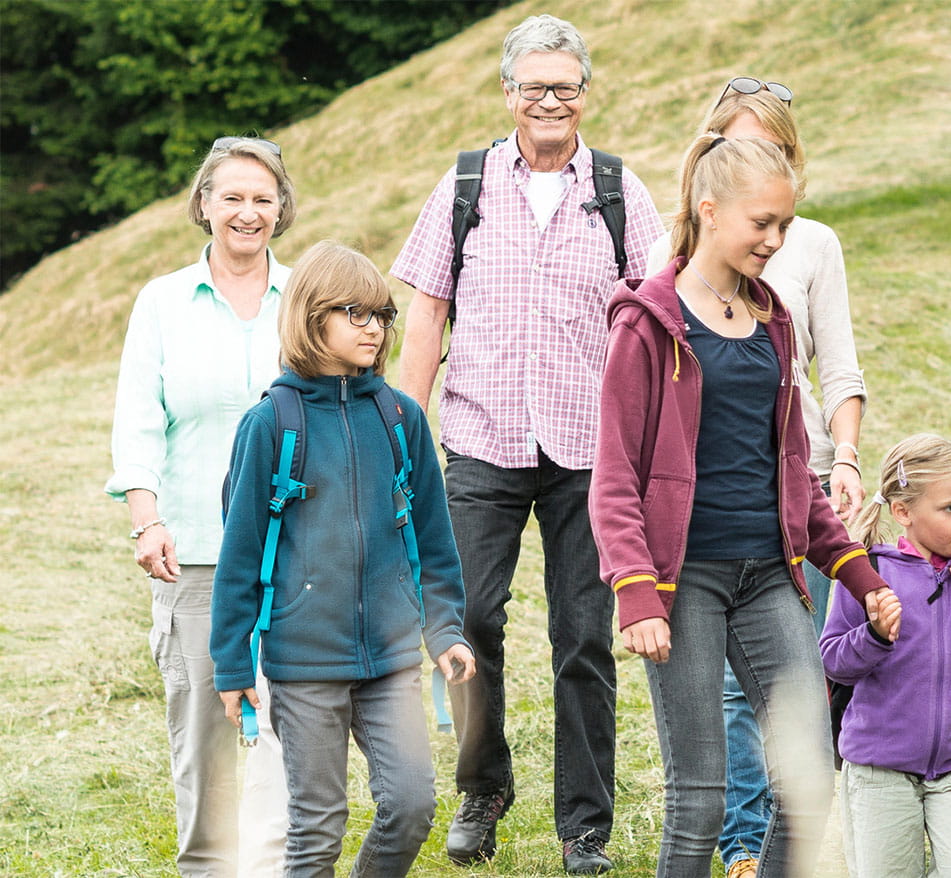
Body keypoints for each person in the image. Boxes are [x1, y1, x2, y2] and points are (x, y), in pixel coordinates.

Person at [389, 13, 665, 874]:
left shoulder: (622, 191)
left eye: (566, 86)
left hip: (591, 450)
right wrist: (402, 436)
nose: (550, 100)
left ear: (585, 95)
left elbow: (659, 317)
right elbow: (427, 312)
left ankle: (585, 826)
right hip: (480, 437)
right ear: (508, 94)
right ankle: (484, 788)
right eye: (534, 86)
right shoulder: (465, 183)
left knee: (584, 634)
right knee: (468, 620)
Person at [591, 133, 902, 878]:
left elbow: (794, 470)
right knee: (698, 799)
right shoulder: (648, 323)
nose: (775, 239)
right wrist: (637, 592)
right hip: (684, 580)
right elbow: (614, 476)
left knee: (808, 782)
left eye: (784, 226)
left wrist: (864, 580)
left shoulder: (773, 319)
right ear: (709, 211)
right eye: (761, 223)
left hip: (770, 576)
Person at [643, 77, 868, 878]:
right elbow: (627, 459)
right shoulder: (658, 296)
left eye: (775, 152)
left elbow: (815, 405)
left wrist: (845, 491)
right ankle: (735, 848)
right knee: (702, 777)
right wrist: (639, 585)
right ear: (709, 188)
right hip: (695, 552)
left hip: (784, 524)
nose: (773, 233)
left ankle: (765, 856)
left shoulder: (793, 282)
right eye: (742, 150)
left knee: (807, 745)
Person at [209, 240, 476, 877]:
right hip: (301, 664)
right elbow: (239, 553)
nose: (374, 328)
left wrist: (443, 628)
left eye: (382, 315)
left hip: (390, 658)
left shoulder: (401, 417)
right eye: (355, 313)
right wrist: (231, 664)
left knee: (411, 805)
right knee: (317, 827)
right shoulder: (271, 423)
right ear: (311, 316)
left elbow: (434, 541)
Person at [105, 135, 296, 878]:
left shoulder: (306, 295)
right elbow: (138, 421)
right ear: (204, 205)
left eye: (261, 198)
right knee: (204, 736)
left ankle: (285, 866)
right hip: (197, 552)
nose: (247, 212)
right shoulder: (162, 302)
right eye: (232, 197)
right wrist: (146, 519)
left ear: (281, 208)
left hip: (298, 550)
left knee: (294, 728)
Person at [822, 434, 951, 878]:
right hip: (879, 768)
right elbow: (834, 660)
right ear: (903, 513)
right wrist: (876, 636)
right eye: (950, 508)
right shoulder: (867, 573)